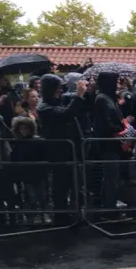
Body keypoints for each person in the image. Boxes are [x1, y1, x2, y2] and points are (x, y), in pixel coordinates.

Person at [37, 74, 87, 222]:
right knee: (61, 185)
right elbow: (66, 114)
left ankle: (71, 212)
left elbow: (72, 102)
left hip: (69, 151)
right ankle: (60, 215)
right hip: (58, 152)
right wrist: (78, 95)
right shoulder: (44, 107)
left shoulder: (57, 101)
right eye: (58, 88)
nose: (61, 91)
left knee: (73, 184)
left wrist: (86, 91)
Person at [92, 72, 127, 212]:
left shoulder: (109, 97)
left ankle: (108, 204)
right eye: (116, 82)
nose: (118, 85)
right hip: (108, 144)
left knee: (111, 176)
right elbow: (104, 123)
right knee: (111, 177)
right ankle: (110, 208)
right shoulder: (102, 99)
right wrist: (118, 127)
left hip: (114, 142)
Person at [10, 116, 49, 223]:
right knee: (29, 196)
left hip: (38, 173)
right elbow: (14, 158)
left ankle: (43, 213)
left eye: (26, 128)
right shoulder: (16, 142)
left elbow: (44, 156)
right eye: (21, 129)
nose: (24, 131)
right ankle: (33, 215)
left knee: (42, 195)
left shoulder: (39, 141)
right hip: (25, 174)